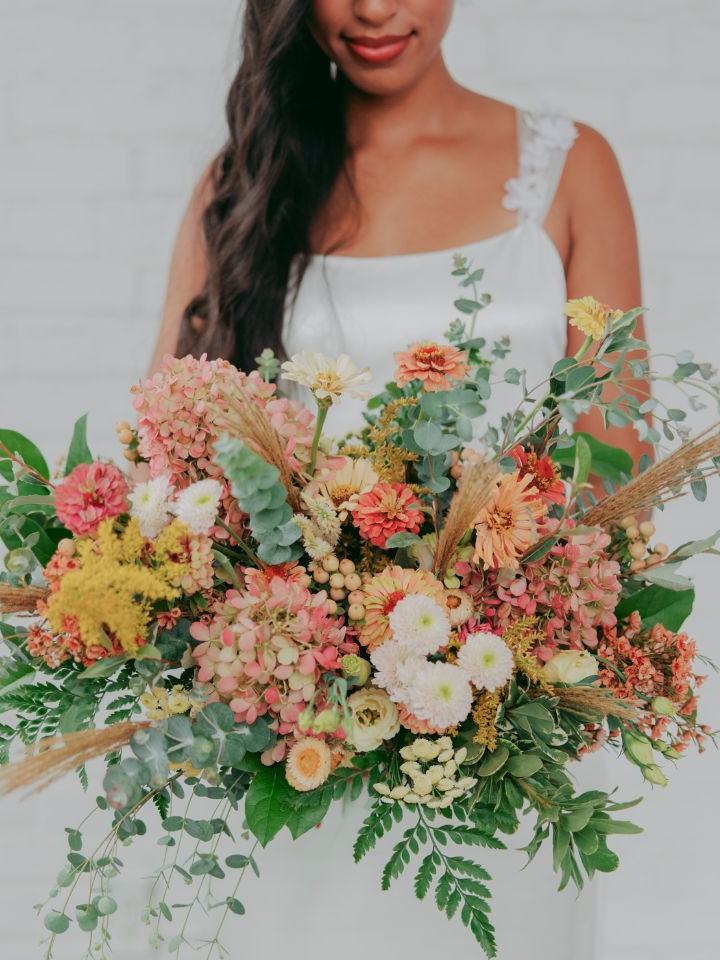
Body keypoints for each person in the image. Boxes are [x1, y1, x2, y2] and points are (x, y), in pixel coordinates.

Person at [149, 2, 648, 956]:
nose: (374, 9)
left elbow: (616, 454)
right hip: (301, 735)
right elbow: (174, 451)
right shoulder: (246, 182)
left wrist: (513, 639)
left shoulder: (571, 165)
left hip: (502, 724)